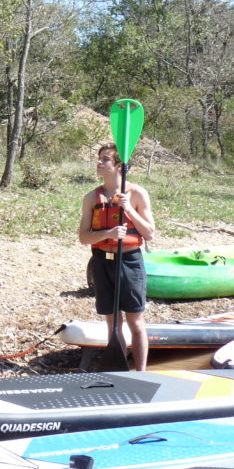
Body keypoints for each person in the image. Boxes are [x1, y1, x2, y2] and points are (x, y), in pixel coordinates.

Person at [78, 141, 156, 370]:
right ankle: (121, 369)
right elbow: (84, 237)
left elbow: (149, 233)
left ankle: (141, 373)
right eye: (99, 159)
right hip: (102, 262)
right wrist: (108, 233)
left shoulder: (137, 194)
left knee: (135, 320)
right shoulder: (92, 198)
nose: (99, 163)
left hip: (129, 261)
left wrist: (129, 210)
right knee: (113, 321)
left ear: (119, 166)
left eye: (105, 160)